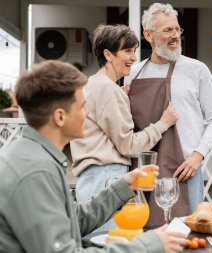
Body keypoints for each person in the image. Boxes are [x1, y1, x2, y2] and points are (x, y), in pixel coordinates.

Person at [0, 60, 187, 253]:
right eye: (82, 106)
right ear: (60, 117)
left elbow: (72, 219)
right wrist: (149, 246)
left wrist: (123, 187)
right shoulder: (34, 171)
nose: (87, 113)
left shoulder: (35, 156)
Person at [124, 3, 212, 225]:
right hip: (143, 173)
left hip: (184, 172)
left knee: (188, 237)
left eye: (177, 29)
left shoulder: (197, 70)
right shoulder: (133, 73)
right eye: (167, 30)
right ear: (148, 35)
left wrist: (197, 156)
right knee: (146, 239)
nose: (175, 36)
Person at [70, 24, 179, 231]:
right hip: (107, 177)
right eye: (127, 51)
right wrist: (163, 123)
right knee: (112, 243)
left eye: (135, 51)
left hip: (92, 179)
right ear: (108, 55)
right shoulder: (108, 90)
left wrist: (120, 96)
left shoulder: (93, 84)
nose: (134, 58)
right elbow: (129, 146)